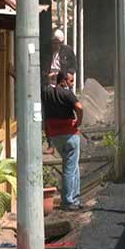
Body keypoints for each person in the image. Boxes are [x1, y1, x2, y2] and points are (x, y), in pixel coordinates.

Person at [41, 71, 83, 210]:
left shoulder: (46, 92)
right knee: (70, 168)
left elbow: (31, 84)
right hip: (70, 134)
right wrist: (79, 122)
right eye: (71, 81)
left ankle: (75, 198)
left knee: (72, 166)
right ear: (63, 81)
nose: (72, 84)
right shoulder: (67, 94)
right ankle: (68, 201)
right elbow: (79, 107)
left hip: (55, 136)